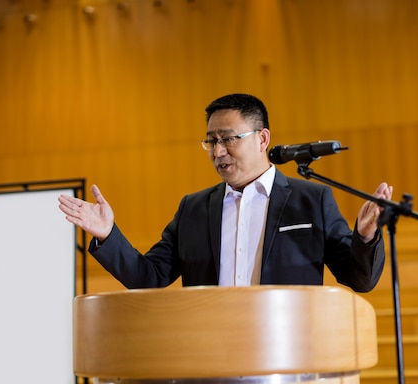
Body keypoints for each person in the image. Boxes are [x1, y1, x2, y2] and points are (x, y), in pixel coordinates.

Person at [58, 93, 393, 292]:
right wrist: (107, 234)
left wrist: (365, 236)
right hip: (211, 354)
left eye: (228, 139)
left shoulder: (311, 200)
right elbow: (150, 277)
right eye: (211, 141)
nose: (217, 152)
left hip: (287, 353)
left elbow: (358, 280)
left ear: (262, 139)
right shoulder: (194, 208)